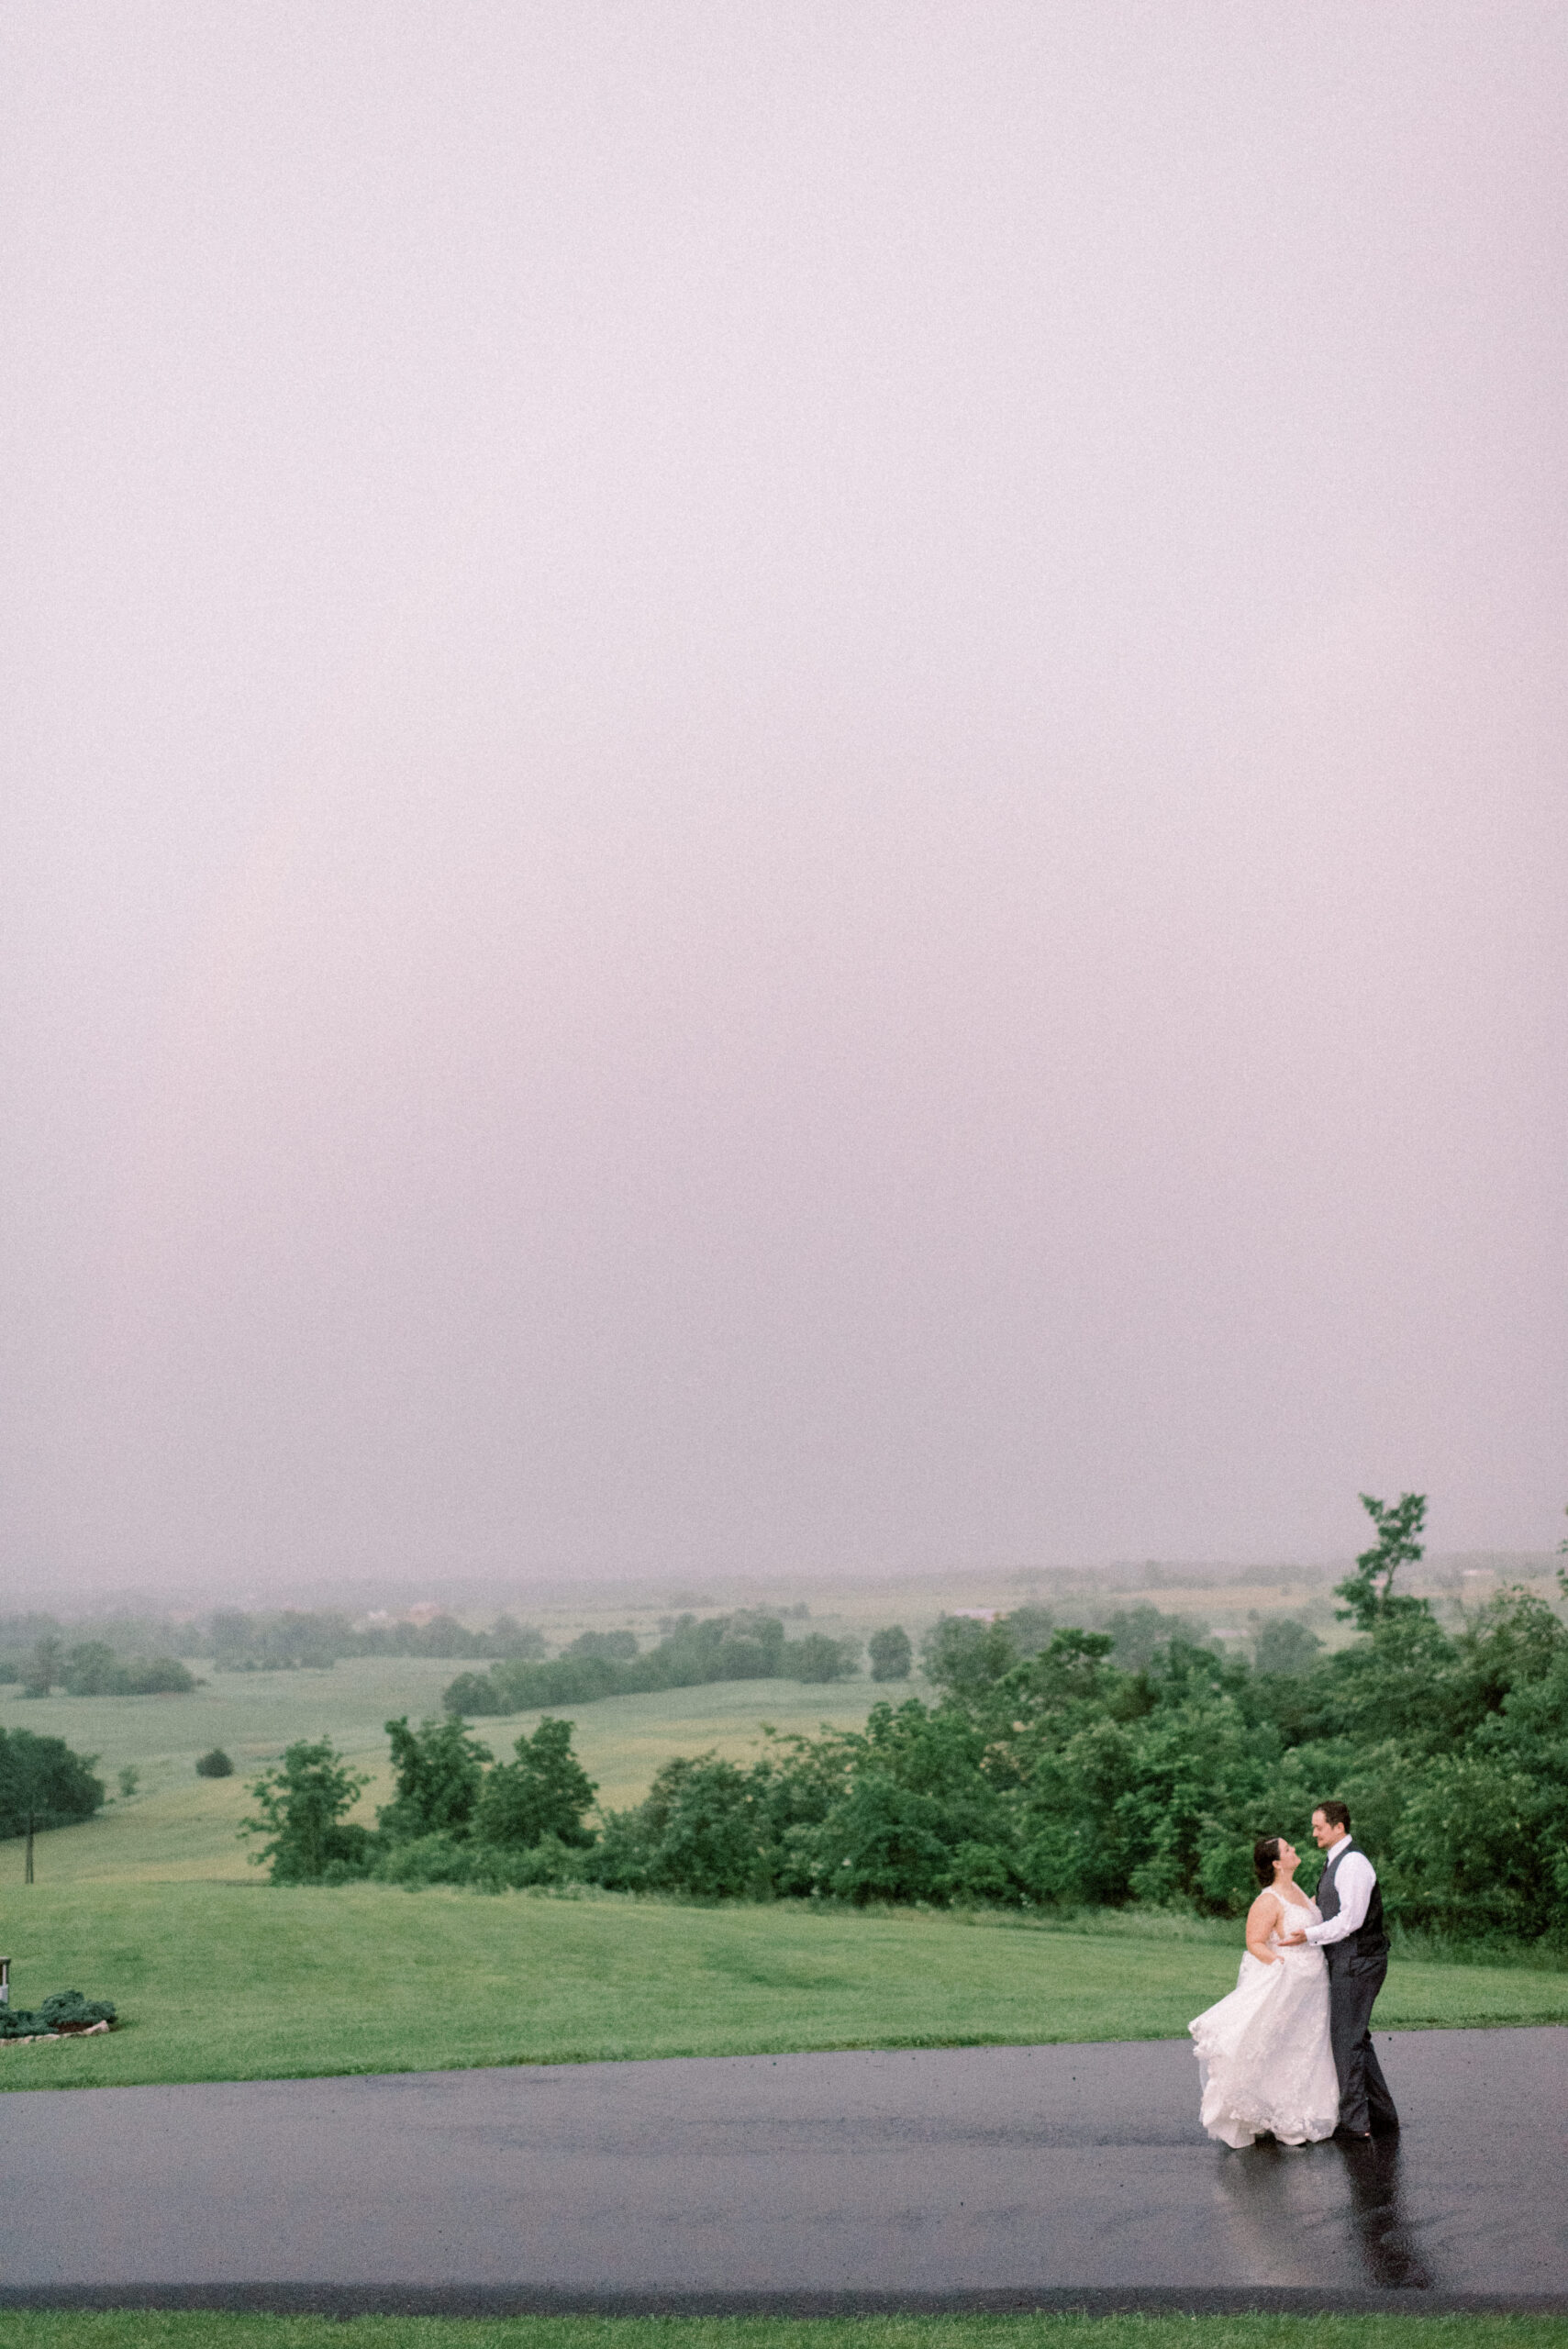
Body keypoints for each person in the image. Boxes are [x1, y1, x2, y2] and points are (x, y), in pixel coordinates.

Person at [1187, 1831, 1339, 2147]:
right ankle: (1276, 2114)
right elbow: (1254, 1941)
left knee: (1306, 2045)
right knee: (1280, 2044)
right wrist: (1280, 1962)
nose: (1294, 1848)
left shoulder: (1297, 1890)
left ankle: (1303, 2112)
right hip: (1291, 1979)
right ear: (1277, 1863)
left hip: (1313, 1983)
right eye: (1287, 1848)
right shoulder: (1269, 1899)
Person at [1276, 1799, 1399, 2139]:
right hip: (1348, 1958)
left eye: (1318, 1826)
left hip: (1359, 1959)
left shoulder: (1354, 1863)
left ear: (1338, 1827)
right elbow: (1326, 1906)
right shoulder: (1335, 1862)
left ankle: (1356, 2125)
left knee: (1346, 2040)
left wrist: (1309, 1935)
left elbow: (1351, 1920)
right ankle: (1384, 2118)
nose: (1313, 1832)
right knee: (1356, 2037)